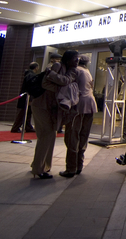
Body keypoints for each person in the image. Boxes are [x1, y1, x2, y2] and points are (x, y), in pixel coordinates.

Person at [30, 51, 78, 179]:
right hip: (41, 105)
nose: (77, 61)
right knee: (47, 135)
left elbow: (66, 80)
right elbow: (45, 83)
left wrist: (61, 85)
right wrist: (62, 89)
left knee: (48, 136)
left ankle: (40, 165)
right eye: (74, 59)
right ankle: (39, 169)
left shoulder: (71, 71)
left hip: (50, 107)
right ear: (67, 59)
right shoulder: (57, 66)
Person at [59, 55, 98, 178]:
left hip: (78, 106)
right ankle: (79, 165)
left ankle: (71, 168)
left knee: (72, 136)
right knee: (83, 136)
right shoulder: (87, 72)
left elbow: (65, 83)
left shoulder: (75, 71)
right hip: (91, 104)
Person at [11, 62, 39, 133]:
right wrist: (31, 99)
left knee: (27, 112)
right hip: (27, 97)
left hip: (25, 97)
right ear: (36, 68)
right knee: (23, 113)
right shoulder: (31, 76)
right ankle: (16, 127)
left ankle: (27, 126)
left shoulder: (27, 74)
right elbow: (30, 88)